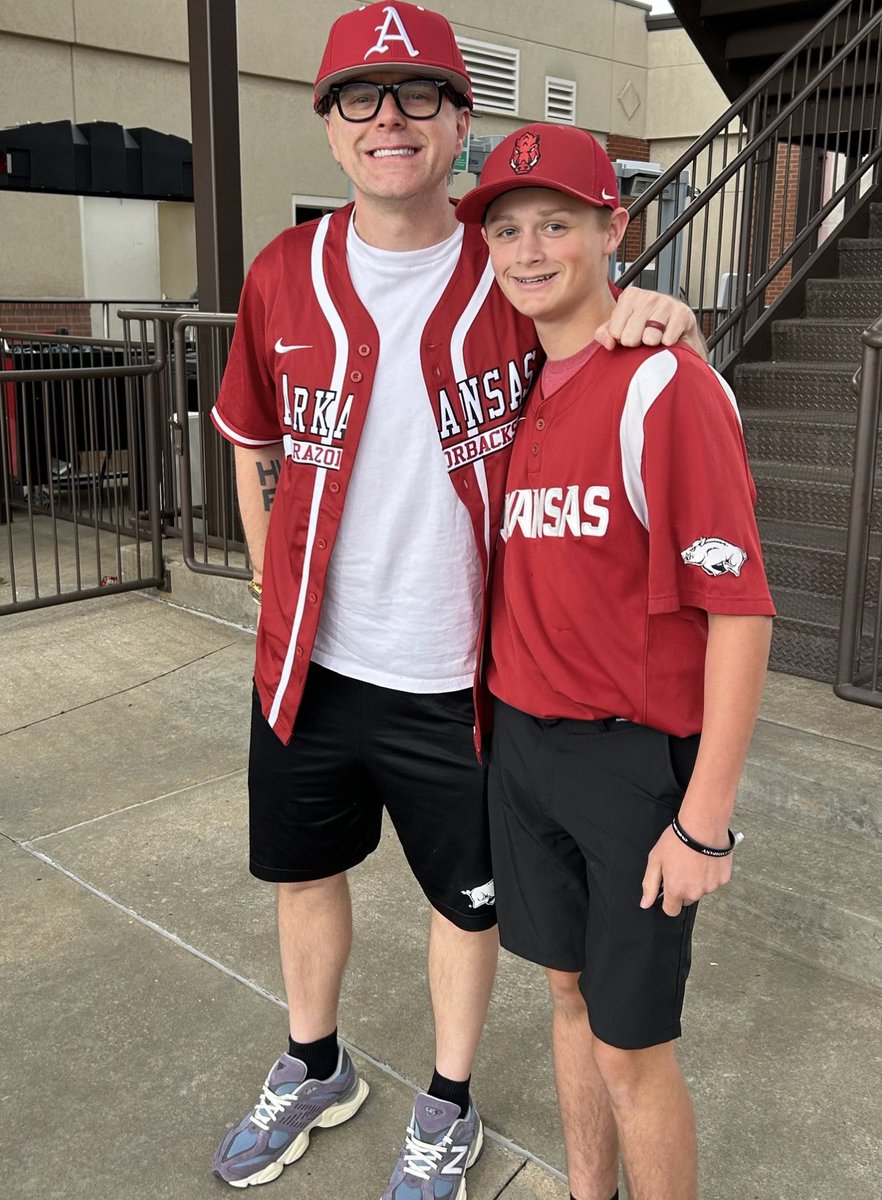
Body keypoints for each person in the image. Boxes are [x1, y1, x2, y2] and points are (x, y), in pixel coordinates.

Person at [209, 5, 703, 1196]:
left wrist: (661, 312)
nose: (391, 119)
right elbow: (250, 440)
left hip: (462, 677)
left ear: (459, 122)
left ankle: (448, 1101)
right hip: (315, 668)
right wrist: (279, 596)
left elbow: (593, 316)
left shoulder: (505, 277)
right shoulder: (281, 275)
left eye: (419, 93)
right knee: (303, 873)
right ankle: (315, 1063)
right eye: (361, 98)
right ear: (329, 129)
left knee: (464, 905)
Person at [455, 122, 775, 1200]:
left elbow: (741, 611)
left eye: (557, 223)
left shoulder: (663, 384)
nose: (530, 249)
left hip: (630, 769)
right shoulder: (527, 384)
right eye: (507, 229)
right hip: (524, 748)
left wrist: (705, 818)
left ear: (613, 229)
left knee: (634, 1055)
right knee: (566, 1002)